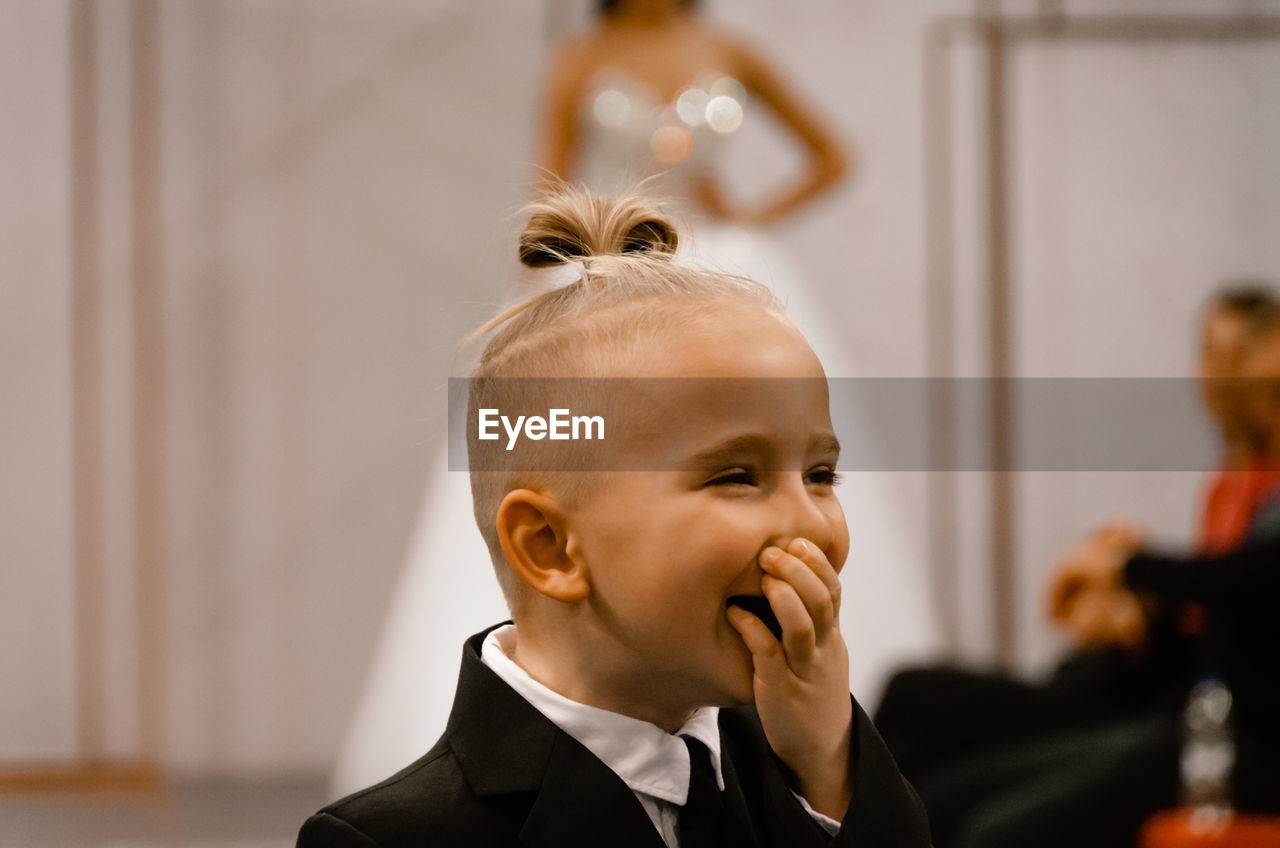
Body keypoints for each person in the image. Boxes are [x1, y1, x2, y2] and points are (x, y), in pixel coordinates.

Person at [332, 0, 935, 795]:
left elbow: (830, 154)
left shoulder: (728, 47)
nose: (806, 511)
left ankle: (813, 736)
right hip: (607, 277)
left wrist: (750, 218)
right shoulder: (580, 58)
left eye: (825, 479)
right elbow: (546, 184)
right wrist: (546, 325)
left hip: (714, 266)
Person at [298, 188, 930, 847]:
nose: (813, 530)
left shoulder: (808, 775)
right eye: (735, 475)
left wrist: (829, 764)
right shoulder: (391, 842)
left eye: (821, 476)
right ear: (551, 546)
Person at [873, 286, 1280, 848]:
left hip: (1212, 736)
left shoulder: (1265, 495)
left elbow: (1245, 586)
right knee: (930, 764)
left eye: (1238, 357)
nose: (1220, 375)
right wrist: (1135, 612)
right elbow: (1216, 619)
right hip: (1174, 711)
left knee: (977, 815)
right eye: (1211, 353)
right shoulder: (1233, 482)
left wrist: (1128, 566)